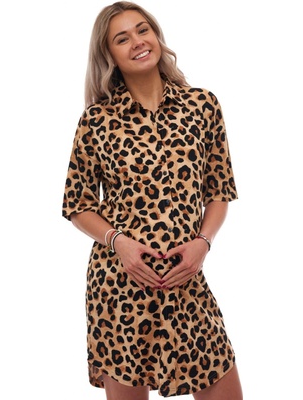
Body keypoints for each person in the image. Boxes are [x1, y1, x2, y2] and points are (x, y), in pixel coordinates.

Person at [62, 2, 243, 399]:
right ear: (109, 55)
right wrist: (119, 243)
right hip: (120, 284)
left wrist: (203, 243)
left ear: (157, 36)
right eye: (122, 38)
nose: (137, 42)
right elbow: (78, 204)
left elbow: (219, 190)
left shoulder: (203, 106)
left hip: (186, 281)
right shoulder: (96, 121)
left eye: (142, 30)